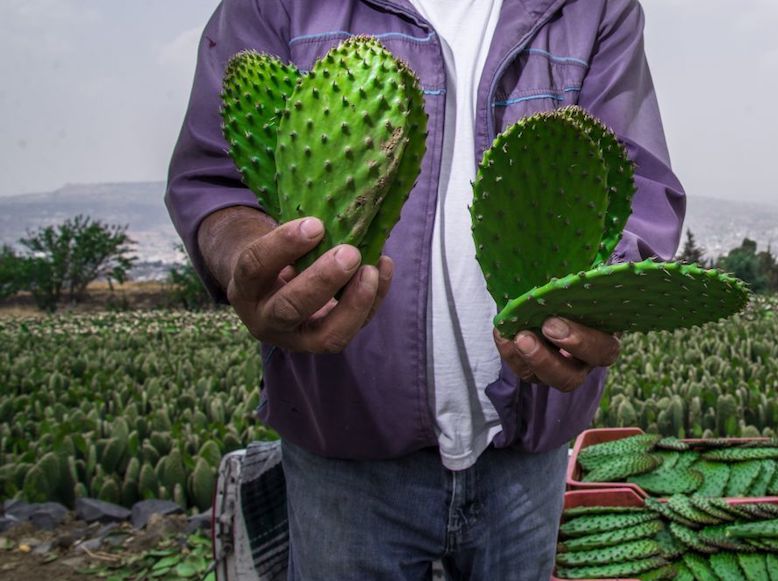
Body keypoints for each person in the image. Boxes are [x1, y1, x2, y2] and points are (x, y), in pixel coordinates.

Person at [166, 0, 684, 578]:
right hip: (344, 443)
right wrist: (251, 259)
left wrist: (596, 300)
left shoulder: (594, 7)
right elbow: (215, 181)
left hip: (528, 448)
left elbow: (632, 186)